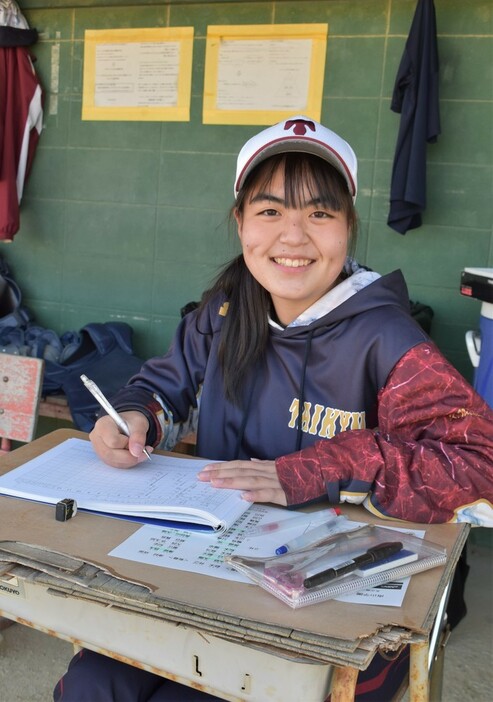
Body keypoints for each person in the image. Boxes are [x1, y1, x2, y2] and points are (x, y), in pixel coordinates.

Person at [54, 115, 493, 702]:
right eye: (270, 212)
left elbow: (476, 464)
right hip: (208, 569)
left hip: (332, 605)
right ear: (240, 223)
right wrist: (136, 416)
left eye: (319, 213)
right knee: (92, 683)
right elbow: (164, 384)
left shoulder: (389, 340)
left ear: (348, 227)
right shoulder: (224, 311)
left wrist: (323, 467)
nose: (293, 237)